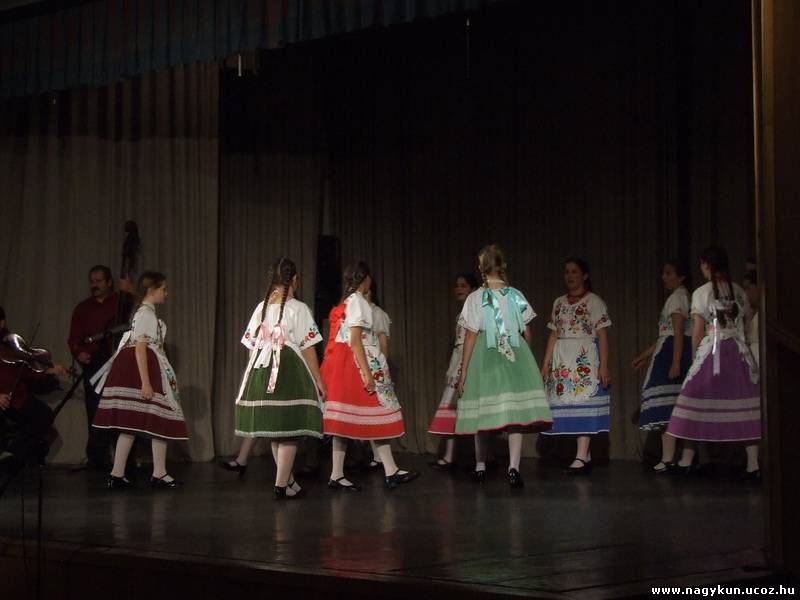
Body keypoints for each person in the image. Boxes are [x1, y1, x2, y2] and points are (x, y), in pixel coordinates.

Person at [220, 258, 326, 499]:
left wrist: (254, 372)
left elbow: (251, 346)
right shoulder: (299, 308)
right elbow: (308, 347)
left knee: (278, 429)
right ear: (295, 279)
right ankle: (280, 485)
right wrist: (319, 381)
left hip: (262, 366)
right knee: (288, 430)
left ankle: (287, 482)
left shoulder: (262, 307)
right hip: (287, 368)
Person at [456, 245, 553, 489]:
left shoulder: (476, 297)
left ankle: (480, 467)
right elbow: (527, 333)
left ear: (481, 268)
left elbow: (470, 335)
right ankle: (513, 467)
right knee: (515, 414)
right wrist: (523, 358)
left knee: (482, 408)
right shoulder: (515, 295)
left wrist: (464, 369)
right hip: (514, 352)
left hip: (485, 354)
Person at [321, 261, 419, 490]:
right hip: (358, 364)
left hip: (347, 364)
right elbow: (356, 340)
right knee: (378, 412)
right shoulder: (358, 302)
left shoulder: (347, 302)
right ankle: (387, 470)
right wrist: (367, 373)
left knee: (347, 421)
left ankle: (345, 473)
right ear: (365, 280)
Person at [666, 247, 761, 480]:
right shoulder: (738, 290)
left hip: (713, 351)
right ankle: (753, 465)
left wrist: (694, 359)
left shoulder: (702, 292)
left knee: (694, 403)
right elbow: (747, 323)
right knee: (743, 407)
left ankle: (686, 461)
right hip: (737, 352)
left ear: (706, 264)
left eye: (702, 264)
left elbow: (697, 331)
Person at [90, 272, 188, 489]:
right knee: (155, 418)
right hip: (140, 370)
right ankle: (152, 473)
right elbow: (140, 348)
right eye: (163, 289)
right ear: (152, 290)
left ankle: (123, 473)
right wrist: (146, 382)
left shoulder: (146, 312)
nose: (166, 293)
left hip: (144, 367)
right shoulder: (146, 314)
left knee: (134, 423)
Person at [541, 257, 612, 475]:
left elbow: (603, 335)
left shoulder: (594, 301)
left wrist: (604, 366)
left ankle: (581, 455)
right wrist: (546, 364)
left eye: (574, 271)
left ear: (584, 275)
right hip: (562, 357)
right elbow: (554, 334)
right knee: (567, 401)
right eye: (567, 272)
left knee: (584, 401)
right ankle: (584, 455)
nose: (570, 276)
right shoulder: (559, 303)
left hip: (584, 355)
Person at [68, 265, 133, 469]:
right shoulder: (82, 308)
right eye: (92, 281)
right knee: (96, 410)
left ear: (109, 282)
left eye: (98, 281)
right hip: (95, 364)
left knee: (121, 409)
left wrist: (129, 292)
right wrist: (79, 352)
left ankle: (125, 459)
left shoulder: (120, 302)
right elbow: (74, 339)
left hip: (119, 360)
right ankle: (97, 458)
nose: (94, 285)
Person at [632, 260, 693, 472]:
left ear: (681, 277)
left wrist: (675, 362)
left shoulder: (678, 297)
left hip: (671, 354)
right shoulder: (680, 297)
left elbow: (678, 332)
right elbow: (666, 334)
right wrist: (645, 355)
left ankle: (670, 459)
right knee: (672, 409)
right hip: (668, 350)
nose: (664, 278)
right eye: (663, 273)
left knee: (669, 409)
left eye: (669, 273)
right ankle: (670, 458)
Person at [0, 306, 65, 466]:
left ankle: (13, 452)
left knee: (44, 415)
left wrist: (48, 370)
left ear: (2, 323)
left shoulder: (10, 344)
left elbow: (26, 369)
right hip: (2, 400)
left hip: (15, 399)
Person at [428, 272, 480, 470]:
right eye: (457, 285)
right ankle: (450, 456)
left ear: (473, 289)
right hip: (458, 361)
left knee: (476, 409)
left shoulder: (477, 313)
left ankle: (484, 457)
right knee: (450, 408)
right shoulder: (460, 315)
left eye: (463, 285)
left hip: (470, 362)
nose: (458, 289)